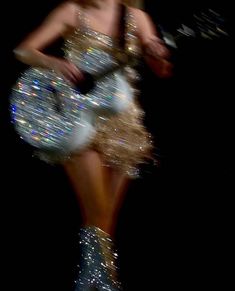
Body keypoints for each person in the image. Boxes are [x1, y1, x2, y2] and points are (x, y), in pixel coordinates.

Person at [13, 0, 171, 290]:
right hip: (80, 120)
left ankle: (94, 280)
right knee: (95, 205)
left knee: (105, 215)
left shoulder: (136, 18)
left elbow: (160, 68)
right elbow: (23, 50)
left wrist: (157, 54)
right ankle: (102, 281)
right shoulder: (72, 11)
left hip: (126, 125)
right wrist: (54, 62)